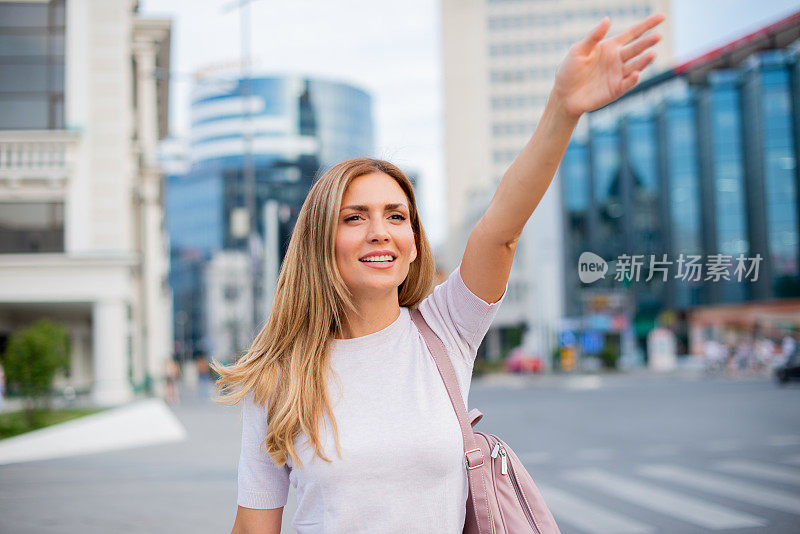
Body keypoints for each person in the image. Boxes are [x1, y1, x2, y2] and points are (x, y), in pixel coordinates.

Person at [212, 12, 666, 534]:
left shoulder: (445, 328)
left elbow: (500, 229)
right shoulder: (278, 376)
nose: (380, 231)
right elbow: (254, 525)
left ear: (412, 245)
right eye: (355, 217)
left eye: (397, 216)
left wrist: (562, 110)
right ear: (319, 242)